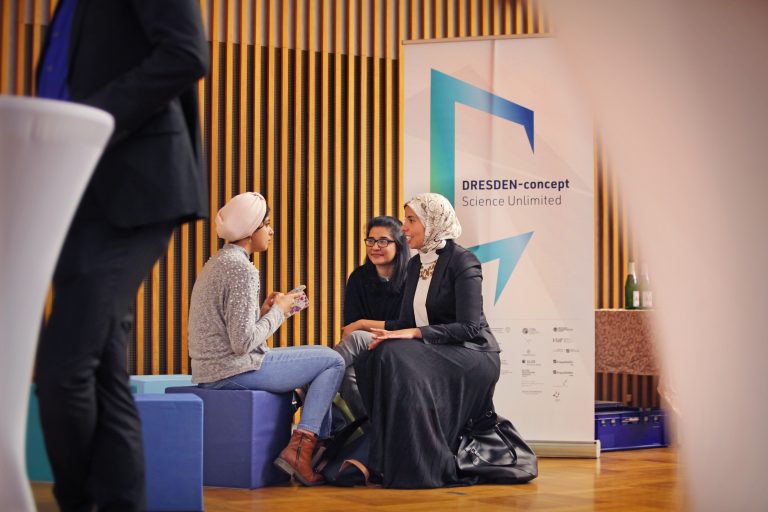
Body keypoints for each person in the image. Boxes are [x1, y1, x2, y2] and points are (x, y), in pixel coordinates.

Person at [34, 1, 209, 510]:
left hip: (133, 187)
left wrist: (88, 122)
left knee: (62, 372)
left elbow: (185, 52)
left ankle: (77, 502)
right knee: (106, 379)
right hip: (75, 192)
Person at [188, 192, 345, 487]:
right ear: (250, 229)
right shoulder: (242, 270)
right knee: (332, 360)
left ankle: (311, 448)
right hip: (232, 370)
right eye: (267, 224)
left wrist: (265, 311)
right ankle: (303, 450)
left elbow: (231, 329)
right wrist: (281, 312)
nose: (271, 231)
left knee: (320, 359)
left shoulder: (218, 262)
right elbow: (242, 343)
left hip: (212, 370)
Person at [352, 192, 502, 488]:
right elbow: (406, 323)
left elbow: (470, 327)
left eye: (411, 220)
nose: (404, 228)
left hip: (472, 353)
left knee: (393, 355)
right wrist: (371, 328)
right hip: (433, 349)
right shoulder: (414, 265)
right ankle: (388, 457)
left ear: (433, 222)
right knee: (372, 355)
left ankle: (422, 465)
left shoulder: (463, 262)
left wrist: (417, 334)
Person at [334, 216, 409, 419]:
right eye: (370, 240)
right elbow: (350, 325)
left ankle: (302, 390)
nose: (375, 246)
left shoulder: (412, 277)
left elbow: (406, 324)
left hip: (400, 346)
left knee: (357, 338)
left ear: (399, 245)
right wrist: (360, 325)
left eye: (383, 241)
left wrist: (364, 324)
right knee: (348, 377)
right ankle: (373, 433)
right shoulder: (358, 277)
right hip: (366, 350)